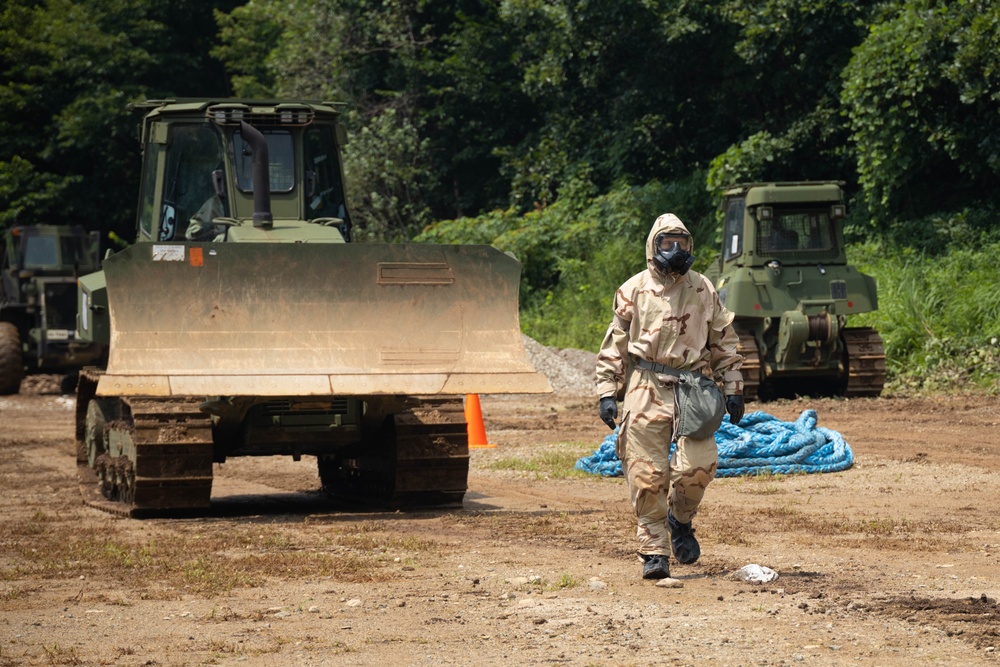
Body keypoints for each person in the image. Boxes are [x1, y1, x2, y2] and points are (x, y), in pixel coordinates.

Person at [595, 213, 745, 580]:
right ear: (653, 246)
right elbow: (614, 344)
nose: (675, 250)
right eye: (666, 243)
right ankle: (654, 551)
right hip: (645, 387)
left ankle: (680, 520)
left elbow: (724, 342)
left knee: (700, 465)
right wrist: (607, 391)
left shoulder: (703, 288)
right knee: (647, 474)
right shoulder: (634, 290)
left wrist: (733, 388)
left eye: (681, 243)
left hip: (693, 388)